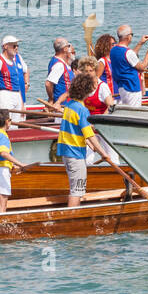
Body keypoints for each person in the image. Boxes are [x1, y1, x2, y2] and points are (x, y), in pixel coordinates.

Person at [57, 74, 111, 209]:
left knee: (74, 187)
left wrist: (90, 145)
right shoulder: (82, 110)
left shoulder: (69, 105)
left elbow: (75, 129)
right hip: (75, 153)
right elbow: (90, 135)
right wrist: (103, 153)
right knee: (77, 190)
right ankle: (72, 219)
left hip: (66, 152)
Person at [0, 109, 27, 214]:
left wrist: (11, 166)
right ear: (7, 122)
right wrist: (20, 164)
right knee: (2, 206)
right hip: (0, 173)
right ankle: (0, 229)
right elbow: (3, 153)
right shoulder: (3, 136)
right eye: (10, 120)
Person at [109, 26, 148, 106]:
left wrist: (140, 44)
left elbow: (129, 57)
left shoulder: (114, 50)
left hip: (122, 86)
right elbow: (142, 68)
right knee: (133, 111)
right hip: (132, 87)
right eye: (132, 34)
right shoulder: (128, 52)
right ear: (128, 37)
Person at [0, 34, 28, 121]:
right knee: (5, 123)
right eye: (14, 46)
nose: (16, 48)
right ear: (5, 46)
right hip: (5, 95)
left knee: (15, 126)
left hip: (17, 95)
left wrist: (21, 104)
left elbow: (17, 84)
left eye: (17, 46)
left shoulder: (15, 60)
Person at [45, 37, 76, 104]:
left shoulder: (57, 61)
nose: (69, 47)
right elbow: (48, 84)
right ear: (64, 49)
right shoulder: (59, 65)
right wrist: (51, 99)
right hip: (61, 104)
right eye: (68, 46)